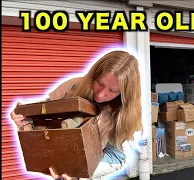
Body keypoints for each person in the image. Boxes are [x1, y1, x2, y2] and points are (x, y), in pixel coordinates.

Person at [10, 50, 143, 180]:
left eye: (112, 90)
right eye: (99, 83)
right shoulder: (72, 87)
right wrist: (26, 119)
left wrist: (78, 174)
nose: (101, 94)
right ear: (94, 74)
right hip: (52, 164)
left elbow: (116, 156)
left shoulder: (123, 115)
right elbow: (44, 120)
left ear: (124, 93)